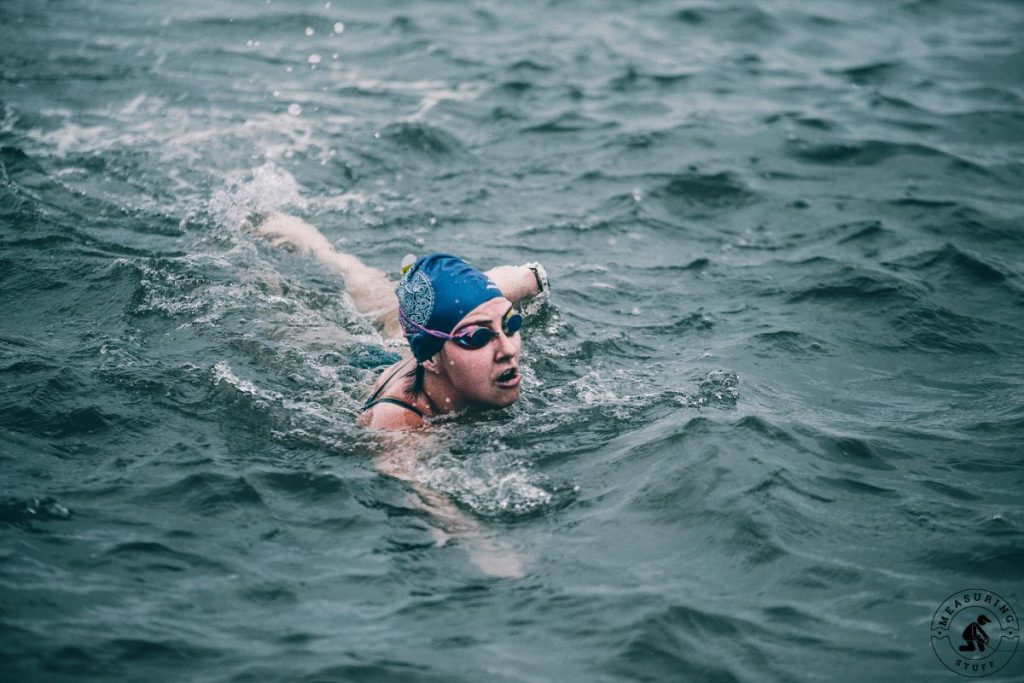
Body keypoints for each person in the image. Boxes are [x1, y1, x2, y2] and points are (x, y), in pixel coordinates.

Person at [252, 212, 549, 430]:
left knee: (366, 284)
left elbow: (525, 278)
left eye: (510, 325)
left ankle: (319, 248)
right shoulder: (400, 423)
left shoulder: (482, 309)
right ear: (432, 358)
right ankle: (267, 249)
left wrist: (533, 280)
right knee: (280, 313)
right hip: (358, 362)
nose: (508, 350)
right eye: (477, 338)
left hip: (415, 344)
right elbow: (423, 500)